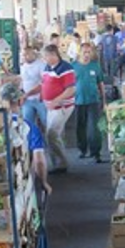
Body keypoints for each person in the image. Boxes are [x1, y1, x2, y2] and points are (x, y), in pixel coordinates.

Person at [0, 83, 51, 196]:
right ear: (20, 101)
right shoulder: (28, 127)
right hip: (17, 182)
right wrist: (44, 183)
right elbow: (39, 161)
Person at [40, 43, 76, 174]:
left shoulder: (66, 68)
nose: (44, 58)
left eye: (45, 56)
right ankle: (57, 163)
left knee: (52, 134)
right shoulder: (47, 67)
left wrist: (55, 101)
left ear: (53, 55)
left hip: (62, 106)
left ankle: (62, 163)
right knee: (54, 134)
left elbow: (71, 89)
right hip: (51, 107)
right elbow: (43, 84)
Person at [74, 41, 105, 162]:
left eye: (89, 52)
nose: (86, 54)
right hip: (78, 101)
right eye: (84, 52)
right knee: (80, 126)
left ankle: (96, 152)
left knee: (94, 127)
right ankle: (82, 149)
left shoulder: (95, 65)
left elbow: (100, 83)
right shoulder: (74, 66)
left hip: (93, 100)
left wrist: (104, 100)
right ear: (80, 53)